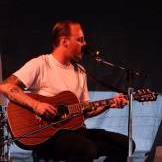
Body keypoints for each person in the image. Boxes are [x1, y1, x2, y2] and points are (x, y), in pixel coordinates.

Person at [0, 20, 135, 162]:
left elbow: (85, 111)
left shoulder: (80, 71)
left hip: (76, 132)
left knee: (127, 145)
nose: (84, 44)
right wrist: (36, 105)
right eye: (80, 39)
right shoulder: (41, 64)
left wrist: (109, 103)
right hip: (48, 137)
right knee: (87, 149)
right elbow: (5, 86)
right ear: (64, 41)